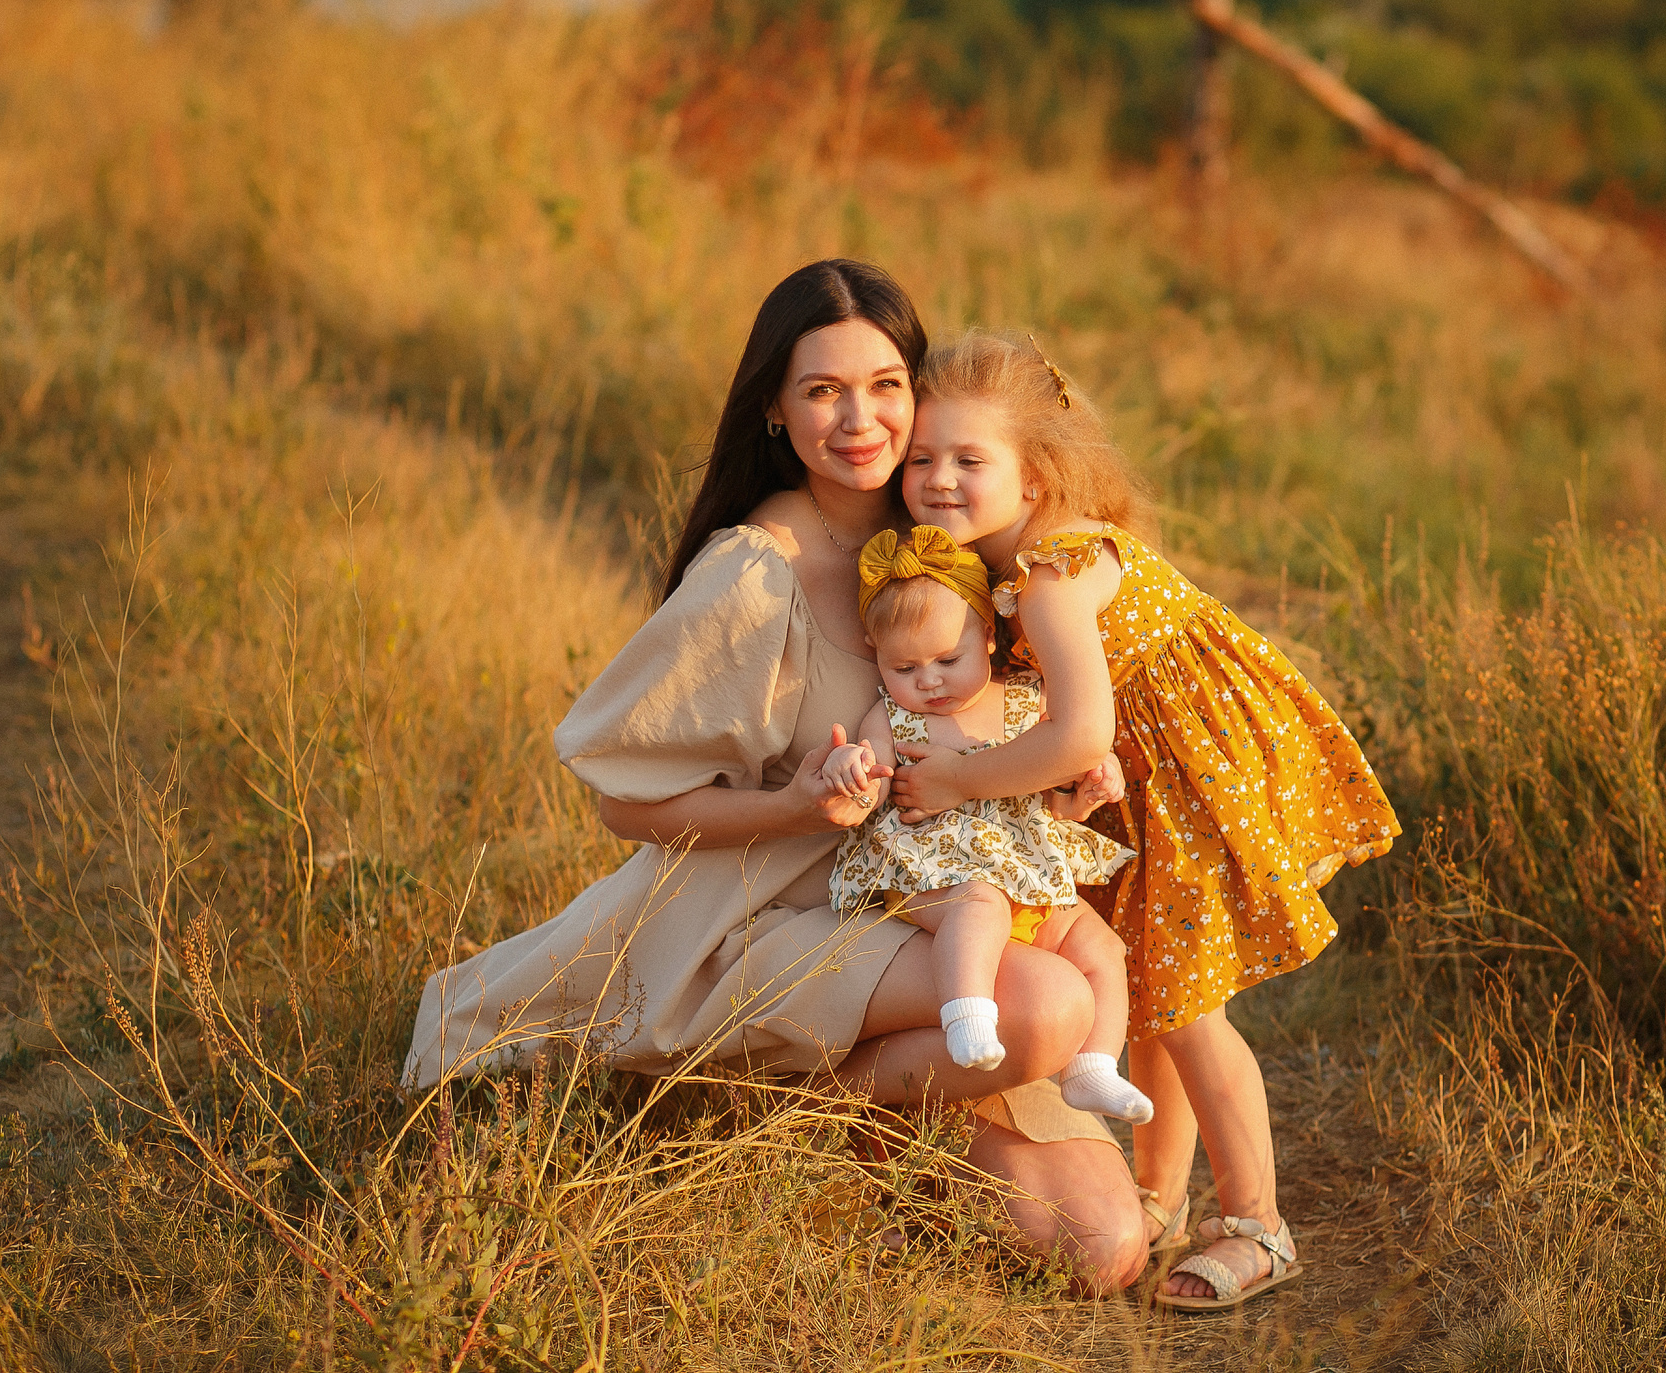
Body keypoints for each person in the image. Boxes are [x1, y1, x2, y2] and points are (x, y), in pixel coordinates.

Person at [400, 262, 1148, 1295]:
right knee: (1047, 1012)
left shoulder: (940, 528)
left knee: (1106, 1248)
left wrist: (1057, 770)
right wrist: (797, 804)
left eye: (886, 385)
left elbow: (1072, 571)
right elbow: (627, 801)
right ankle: (790, 1107)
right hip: (776, 912)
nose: (861, 419)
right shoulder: (752, 573)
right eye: (822, 391)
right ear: (773, 410)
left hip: (931, 911)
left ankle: (879, 1109)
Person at [888, 330, 1400, 1311]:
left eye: (968, 460)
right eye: (923, 458)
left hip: (1193, 773)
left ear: (1035, 478)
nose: (936, 479)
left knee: (1191, 1009)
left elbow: (1082, 731)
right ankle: (1160, 1199)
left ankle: (1259, 1223)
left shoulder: (1050, 571)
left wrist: (959, 781)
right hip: (1156, 777)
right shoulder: (1002, 577)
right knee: (1159, 987)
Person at [819, 525, 1151, 1125]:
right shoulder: (890, 715)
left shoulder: (1028, 705)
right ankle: (966, 1012)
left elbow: (1053, 806)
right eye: (905, 666)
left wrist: (1092, 787)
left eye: (949, 659)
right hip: (932, 876)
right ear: (877, 658)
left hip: (1028, 876)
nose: (930, 681)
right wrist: (851, 764)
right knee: (981, 904)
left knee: (1102, 946)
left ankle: (1093, 1067)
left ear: (988, 638)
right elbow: (870, 769)